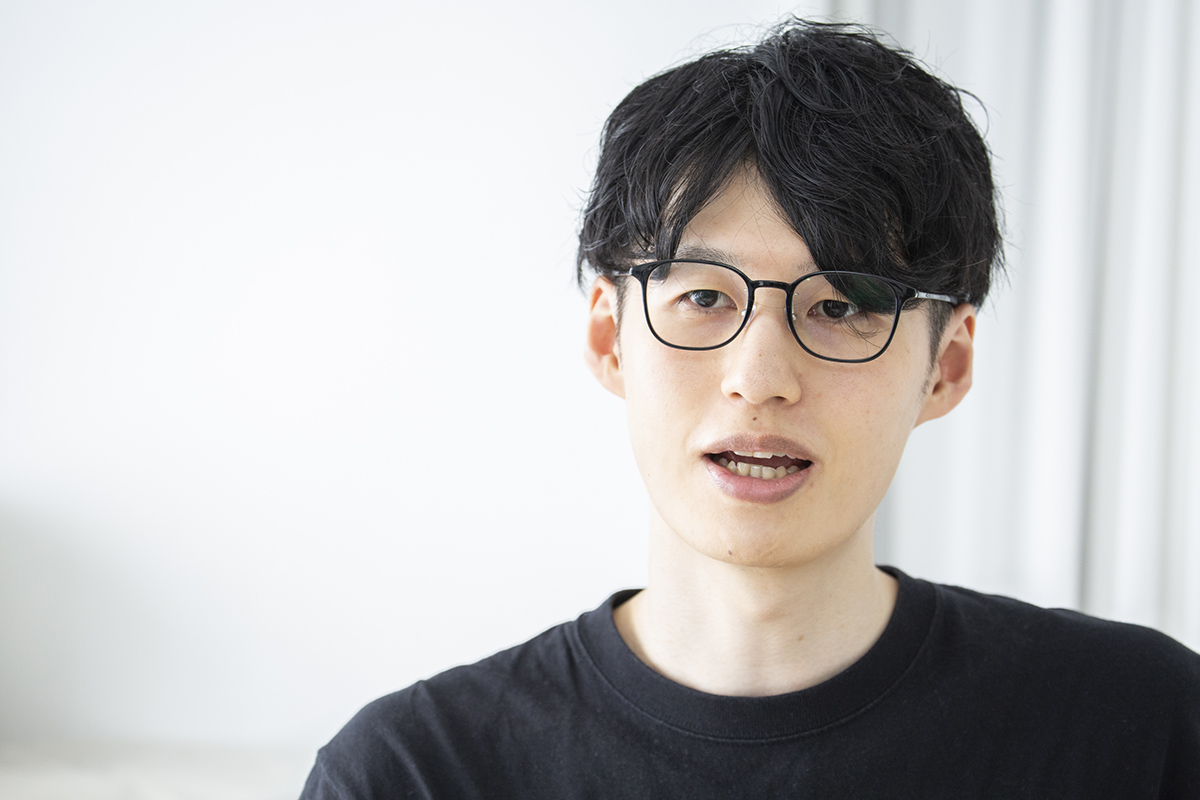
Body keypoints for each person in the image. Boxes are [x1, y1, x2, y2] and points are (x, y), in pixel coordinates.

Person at [300, 19, 1200, 798]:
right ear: (611, 336)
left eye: (839, 307)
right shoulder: (415, 772)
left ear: (947, 365)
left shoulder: (1143, 730)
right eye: (703, 297)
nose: (760, 377)